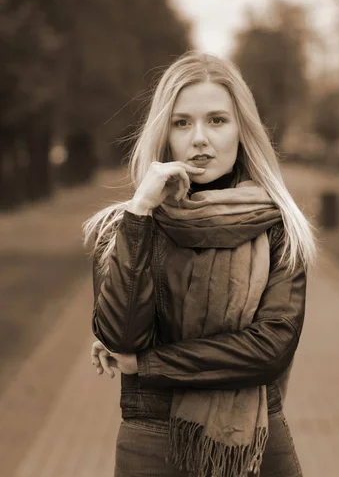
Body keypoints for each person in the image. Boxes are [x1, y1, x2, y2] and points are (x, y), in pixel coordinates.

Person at [83, 50, 317, 477]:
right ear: (165, 133)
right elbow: (121, 336)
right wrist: (140, 213)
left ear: (241, 130)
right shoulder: (124, 228)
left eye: (217, 120)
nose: (199, 139)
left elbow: (269, 350)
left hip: (256, 446)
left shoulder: (279, 227)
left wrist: (147, 365)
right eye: (182, 122)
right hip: (151, 443)